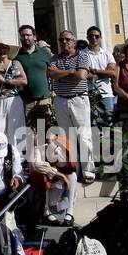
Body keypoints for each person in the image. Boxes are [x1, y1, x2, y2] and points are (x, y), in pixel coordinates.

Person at [48, 30, 94, 184]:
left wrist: (61, 75)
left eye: (67, 39)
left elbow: (81, 75)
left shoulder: (82, 56)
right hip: (61, 100)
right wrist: (70, 72)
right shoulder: (55, 58)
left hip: (78, 99)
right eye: (61, 39)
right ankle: (74, 168)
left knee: (84, 136)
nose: (64, 42)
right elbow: (51, 73)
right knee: (67, 138)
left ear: (74, 42)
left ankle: (88, 170)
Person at [0, 39, 26, 145]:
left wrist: (7, 81)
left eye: (4, 48)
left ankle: (16, 156)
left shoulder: (15, 63)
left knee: (15, 130)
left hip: (13, 98)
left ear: (8, 50)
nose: (2, 51)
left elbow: (24, 80)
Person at [14, 25, 53, 130]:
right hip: (25, 100)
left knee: (43, 131)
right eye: (23, 35)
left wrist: (53, 90)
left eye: (28, 35)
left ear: (34, 37)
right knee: (28, 133)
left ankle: (43, 147)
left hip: (43, 98)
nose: (26, 38)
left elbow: (53, 72)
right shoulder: (17, 55)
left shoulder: (44, 53)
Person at [83, 26, 120, 119]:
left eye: (96, 36)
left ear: (100, 37)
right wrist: (105, 73)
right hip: (90, 94)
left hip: (106, 93)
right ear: (87, 37)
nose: (94, 38)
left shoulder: (107, 54)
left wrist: (95, 71)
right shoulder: (82, 54)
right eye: (91, 36)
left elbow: (113, 73)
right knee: (94, 125)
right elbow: (84, 75)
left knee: (109, 122)